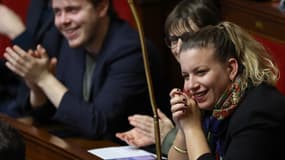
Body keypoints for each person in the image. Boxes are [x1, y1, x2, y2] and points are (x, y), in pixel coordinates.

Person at [3, 0, 170, 143]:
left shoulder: (131, 51)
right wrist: (37, 89)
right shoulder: (66, 41)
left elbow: (98, 124)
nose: (62, 21)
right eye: (57, 12)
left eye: (72, 10)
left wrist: (45, 79)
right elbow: (53, 113)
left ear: (102, 7)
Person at [116, 0, 222, 154]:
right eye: (173, 40)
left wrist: (167, 136)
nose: (178, 48)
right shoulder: (188, 85)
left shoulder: (218, 88)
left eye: (187, 38)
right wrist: (159, 137)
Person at [168, 21, 285, 160]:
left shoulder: (259, 111)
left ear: (231, 68)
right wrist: (183, 126)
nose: (190, 86)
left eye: (201, 72)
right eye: (186, 76)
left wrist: (192, 129)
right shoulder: (214, 104)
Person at [0, 0, 64, 118]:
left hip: (43, 113)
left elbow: (53, 71)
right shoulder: (38, 3)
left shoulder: (71, 10)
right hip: (18, 95)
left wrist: (17, 32)